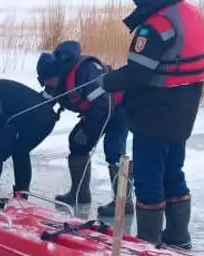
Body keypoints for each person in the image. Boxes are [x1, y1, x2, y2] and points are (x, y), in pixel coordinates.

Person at [93, 0, 204, 249]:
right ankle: (179, 237)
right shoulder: (192, 14)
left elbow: (138, 74)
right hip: (184, 112)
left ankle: (148, 244)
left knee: (148, 177)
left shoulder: (155, 27)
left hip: (155, 114)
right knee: (173, 172)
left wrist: (108, 81)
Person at [36, 40, 132, 216]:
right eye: (44, 80)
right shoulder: (56, 80)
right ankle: (80, 193)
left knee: (114, 151)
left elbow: (103, 104)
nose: (47, 83)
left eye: (48, 79)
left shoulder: (86, 71)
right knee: (76, 143)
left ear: (56, 73)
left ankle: (124, 203)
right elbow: (42, 102)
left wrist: (88, 131)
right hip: (98, 109)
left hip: (118, 107)